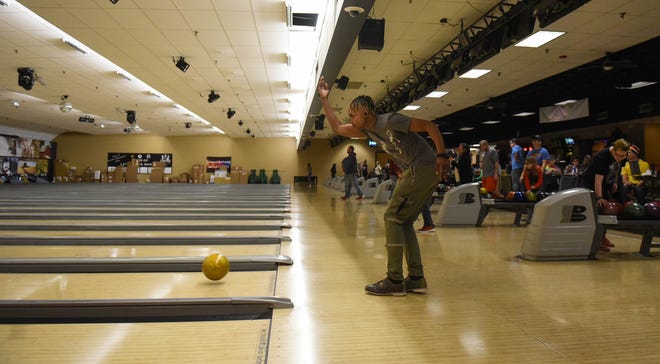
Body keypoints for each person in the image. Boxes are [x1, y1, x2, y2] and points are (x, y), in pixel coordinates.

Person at [318, 75, 449, 296]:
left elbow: (429, 126)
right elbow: (338, 128)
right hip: (418, 170)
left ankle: (395, 280)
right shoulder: (367, 131)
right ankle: (416, 279)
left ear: (366, 113)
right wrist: (324, 100)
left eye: (353, 112)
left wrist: (442, 154)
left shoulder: (389, 121)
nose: (350, 116)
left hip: (423, 166)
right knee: (403, 220)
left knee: (391, 216)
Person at [582, 138, 630, 252]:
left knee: (609, 210)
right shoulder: (602, 157)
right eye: (618, 155)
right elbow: (597, 180)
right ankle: (596, 239)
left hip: (606, 182)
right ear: (614, 149)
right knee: (599, 208)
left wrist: (614, 182)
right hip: (592, 183)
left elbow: (617, 169)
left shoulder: (622, 155)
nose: (620, 158)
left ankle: (602, 237)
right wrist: (599, 197)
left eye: (623, 156)